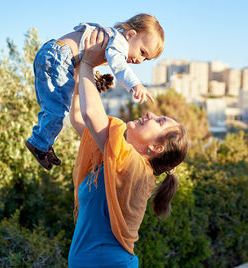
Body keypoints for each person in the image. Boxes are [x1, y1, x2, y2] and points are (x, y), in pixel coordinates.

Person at [68, 29, 187, 268]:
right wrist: (80, 71)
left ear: (155, 146)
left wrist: (89, 63)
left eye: (159, 121)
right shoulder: (115, 157)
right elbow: (80, 120)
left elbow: (92, 114)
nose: (150, 114)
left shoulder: (135, 169)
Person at [25, 13, 165, 171]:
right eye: (142, 52)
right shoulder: (119, 43)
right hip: (59, 58)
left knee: (54, 106)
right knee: (57, 108)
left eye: (145, 59)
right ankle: (39, 143)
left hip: (54, 54)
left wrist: (93, 74)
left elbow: (89, 54)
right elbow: (119, 66)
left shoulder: (111, 36)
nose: (140, 60)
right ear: (131, 35)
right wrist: (135, 84)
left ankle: (44, 142)